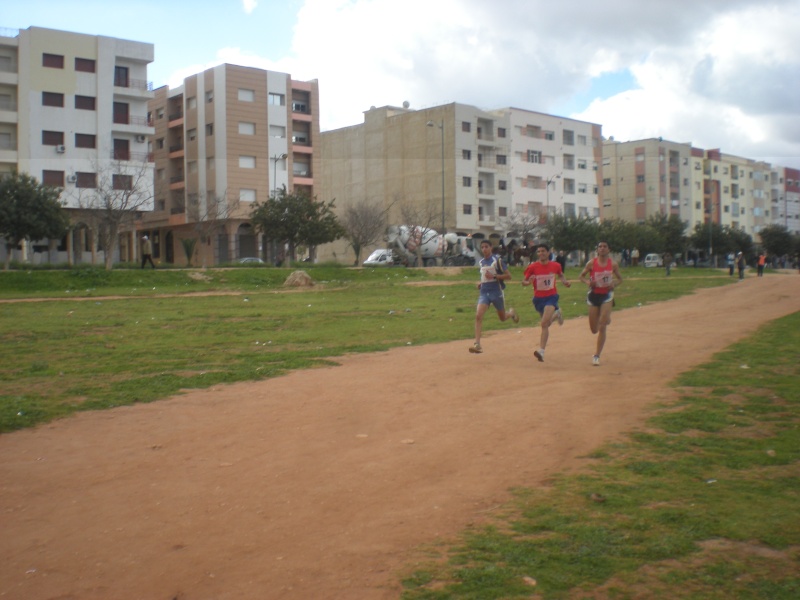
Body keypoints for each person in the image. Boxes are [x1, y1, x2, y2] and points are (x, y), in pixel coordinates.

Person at [522, 243, 571, 362]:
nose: (541, 253)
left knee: (543, 323)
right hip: (538, 298)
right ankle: (557, 313)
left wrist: (565, 282)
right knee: (547, 324)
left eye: (543, 251)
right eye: (538, 251)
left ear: (548, 253)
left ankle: (541, 351)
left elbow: (560, 274)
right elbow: (524, 281)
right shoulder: (532, 267)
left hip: (551, 297)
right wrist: (528, 283)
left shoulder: (556, 265)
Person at [468, 240, 518, 354]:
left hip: (497, 292)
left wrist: (495, 276)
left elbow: (509, 276)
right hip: (484, 292)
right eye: (482, 247)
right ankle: (477, 344)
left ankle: (511, 313)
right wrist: (482, 283)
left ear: (491, 248)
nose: (484, 249)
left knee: (502, 318)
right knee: (478, 316)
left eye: (486, 246)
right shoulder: (480, 262)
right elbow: (485, 277)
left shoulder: (497, 260)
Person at [578, 241, 623, 366]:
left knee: (602, 325)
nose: (602, 249)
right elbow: (581, 276)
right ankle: (605, 318)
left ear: (609, 250)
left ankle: (597, 355)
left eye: (605, 247)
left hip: (606, 295)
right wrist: (588, 282)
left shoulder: (613, 264)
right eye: (600, 247)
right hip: (593, 296)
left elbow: (620, 279)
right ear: (597, 250)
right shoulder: (591, 263)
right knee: (594, 329)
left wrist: (614, 284)